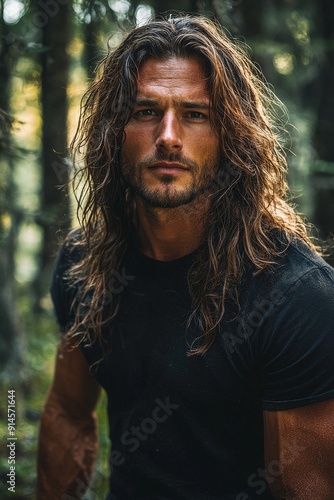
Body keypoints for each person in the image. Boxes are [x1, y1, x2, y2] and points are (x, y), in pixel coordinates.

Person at [37, 13, 334, 500]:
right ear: (115, 130)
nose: (169, 135)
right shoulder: (84, 266)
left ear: (230, 138)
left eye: (195, 114)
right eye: (146, 111)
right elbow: (68, 412)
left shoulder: (297, 298)